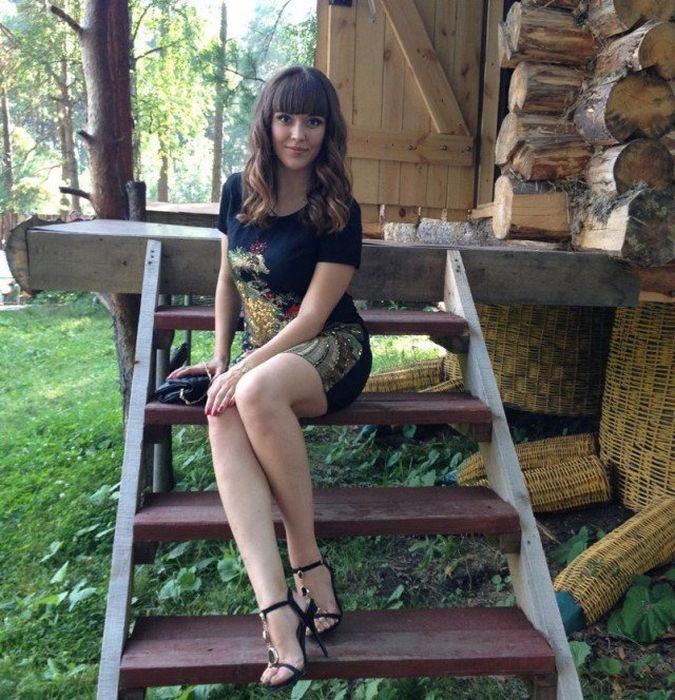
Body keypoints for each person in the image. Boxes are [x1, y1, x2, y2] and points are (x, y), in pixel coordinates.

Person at [168, 65, 372, 691]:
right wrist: (221, 360)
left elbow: (312, 318)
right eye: (286, 118)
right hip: (261, 358)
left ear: (328, 130)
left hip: (330, 348)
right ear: (267, 122)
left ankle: (309, 565)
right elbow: (227, 280)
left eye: (313, 121)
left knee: (250, 390)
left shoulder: (338, 207)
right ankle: (277, 611)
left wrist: (245, 368)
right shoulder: (239, 191)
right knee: (223, 407)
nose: (298, 133)